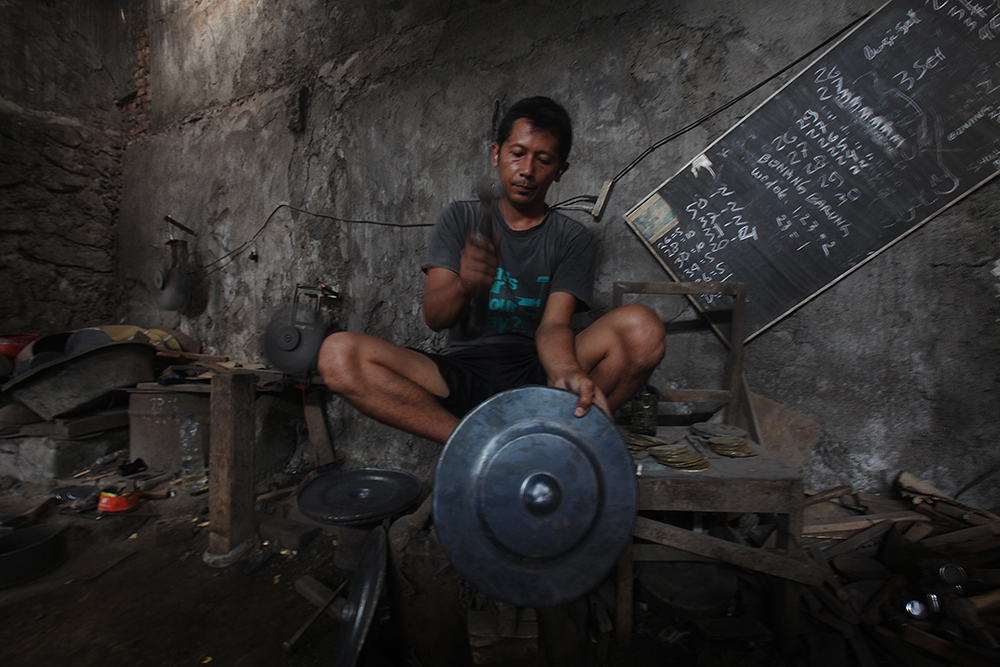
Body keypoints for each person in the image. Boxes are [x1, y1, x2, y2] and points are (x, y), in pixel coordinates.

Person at [318, 97, 665, 444]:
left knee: (643, 330)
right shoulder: (460, 218)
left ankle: (561, 436)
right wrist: (465, 286)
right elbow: (435, 318)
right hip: (460, 371)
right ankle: (474, 446)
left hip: (537, 372)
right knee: (337, 355)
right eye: (518, 154)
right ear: (497, 154)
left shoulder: (572, 238)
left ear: (561, 171)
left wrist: (565, 371)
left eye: (543, 160)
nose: (527, 170)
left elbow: (554, 326)